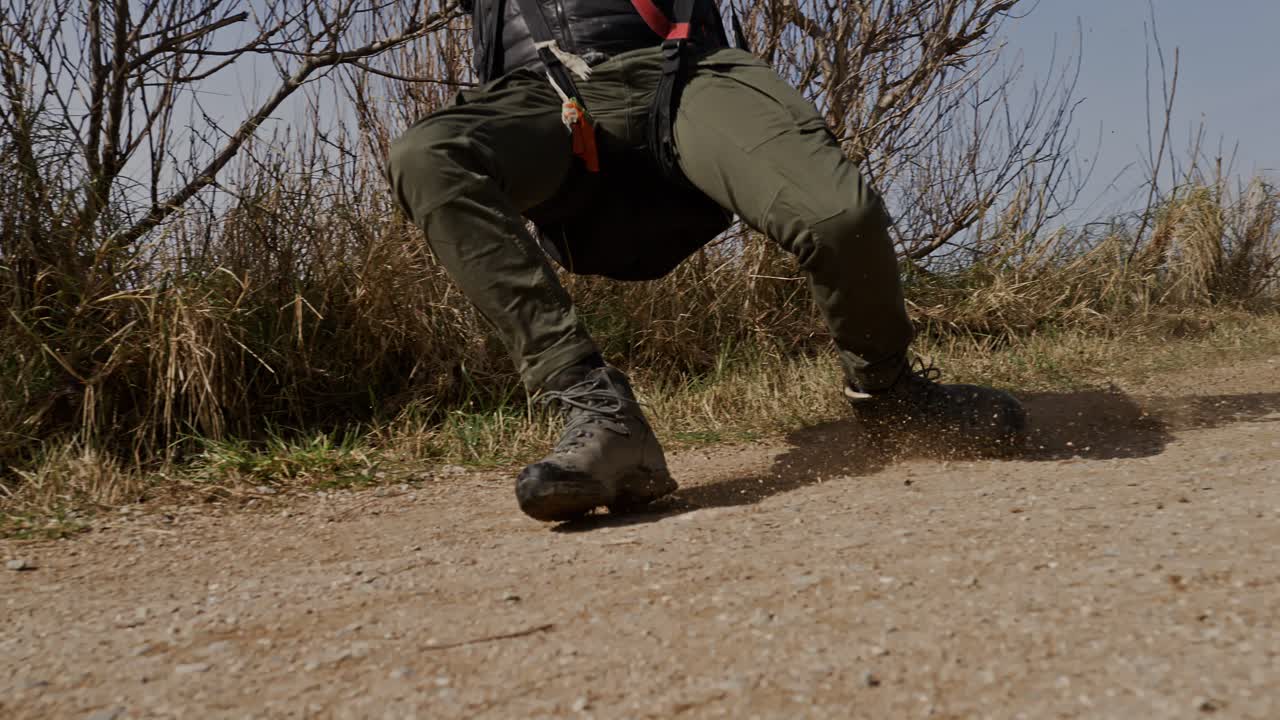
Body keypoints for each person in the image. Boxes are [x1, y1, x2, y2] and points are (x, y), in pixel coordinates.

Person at [386, 0, 1026, 522]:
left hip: (685, 69)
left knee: (838, 217)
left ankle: (891, 394)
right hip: (543, 92)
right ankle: (600, 414)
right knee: (428, 155)